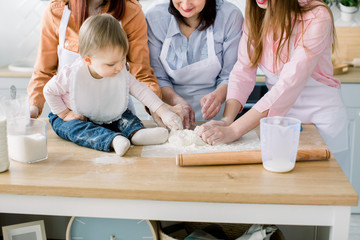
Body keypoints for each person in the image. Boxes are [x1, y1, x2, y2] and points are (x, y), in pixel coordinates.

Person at [199, 0, 350, 178]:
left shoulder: (317, 16)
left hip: (322, 121)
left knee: (327, 193)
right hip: (280, 123)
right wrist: (227, 120)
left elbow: (289, 84)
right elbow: (243, 71)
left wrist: (234, 130)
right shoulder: (257, 15)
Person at [43, 14, 183, 156]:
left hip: (108, 113)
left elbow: (141, 91)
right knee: (70, 127)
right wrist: (65, 113)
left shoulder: (120, 71)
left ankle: (137, 133)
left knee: (125, 116)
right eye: (111, 64)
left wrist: (163, 111)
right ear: (88, 60)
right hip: (77, 116)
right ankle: (112, 140)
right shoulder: (71, 75)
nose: (119, 67)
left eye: (122, 59)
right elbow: (48, 90)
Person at [28, 0, 172, 127]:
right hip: (76, 118)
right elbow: (44, 72)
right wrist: (33, 109)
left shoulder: (132, 11)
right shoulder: (56, 11)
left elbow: (141, 74)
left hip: (116, 113)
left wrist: (158, 108)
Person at [146, 0, 243, 129]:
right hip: (168, 112)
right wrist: (176, 102)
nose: (185, 5)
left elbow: (231, 75)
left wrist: (217, 96)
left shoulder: (230, 16)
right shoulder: (155, 17)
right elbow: (156, 77)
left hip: (215, 118)